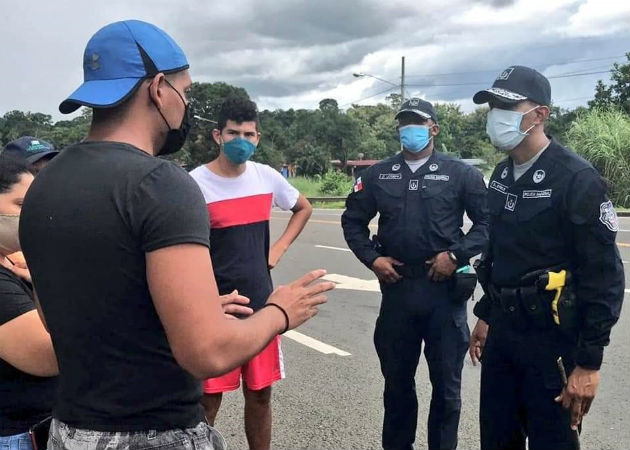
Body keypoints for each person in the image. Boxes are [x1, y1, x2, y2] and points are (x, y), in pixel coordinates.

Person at [19, 20, 333, 450]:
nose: (186, 106)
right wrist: (280, 311)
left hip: (69, 431)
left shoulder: (43, 187)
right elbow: (207, 354)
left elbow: (63, 320)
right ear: (159, 88)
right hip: (153, 434)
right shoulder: (159, 184)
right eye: (186, 93)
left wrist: (192, 309)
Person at [468, 65, 625, 450]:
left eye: (506, 106)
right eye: (492, 106)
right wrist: (486, 315)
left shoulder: (576, 179)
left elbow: (603, 276)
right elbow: (501, 254)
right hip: (504, 337)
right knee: (497, 441)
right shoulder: (503, 176)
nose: (495, 116)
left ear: (540, 114)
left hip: (552, 340)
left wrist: (588, 363)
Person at [342, 98, 489, 450]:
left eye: (418, 123)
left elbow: (488, 223)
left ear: (434, 129)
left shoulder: (461, 174)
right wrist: (373, 260)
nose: (410, 129)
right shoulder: (378, 174)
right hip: (399, 293)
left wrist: (456, 255)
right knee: (396, 389)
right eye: (405, 123)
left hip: (444, 295)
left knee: (447, 392)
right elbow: (353, 221)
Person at [189, 97, 312, 450]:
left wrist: (278, 250)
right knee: (207, 401)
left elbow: (303, 208)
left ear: (258, 137)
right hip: (215, 310)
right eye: (233, 132)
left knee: (260, 395)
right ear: (217, 135)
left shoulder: (267, 177)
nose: (241, 140)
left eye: (248, 133)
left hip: (261, 305)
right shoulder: (195, 184)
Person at [0, 154, 57, 450]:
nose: (34, 214)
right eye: (22, 205)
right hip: (17, 435)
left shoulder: (13, 259)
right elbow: (50, 356)